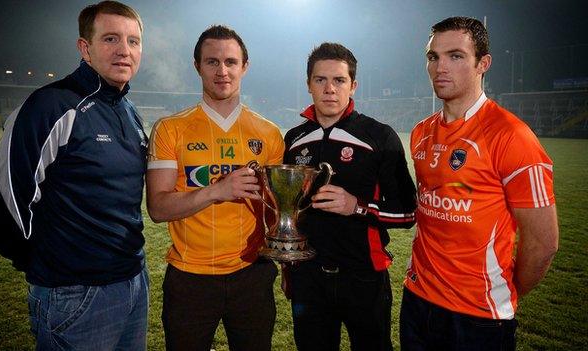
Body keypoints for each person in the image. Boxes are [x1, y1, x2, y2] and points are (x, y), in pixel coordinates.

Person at [0, 1, 148, 350]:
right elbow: (5, 203)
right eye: (111, 39)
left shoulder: (129, 112)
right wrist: (50, 269)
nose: (124, 50)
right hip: (75, 295)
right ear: (85, 48)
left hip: (133, 283)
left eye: (133, 41)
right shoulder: (51, 106)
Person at [401, 16, 559, 350]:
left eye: (456, 56)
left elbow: (544, 243)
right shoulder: (421, 132)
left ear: (482, 64)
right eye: (434, 57)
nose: (441, 66)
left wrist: (504, 289)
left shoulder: (512, 136)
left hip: (478, 316)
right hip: (417, 299)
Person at [146, 25, 285, 351]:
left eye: (231, 62)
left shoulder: (269, 133)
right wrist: (216, 191)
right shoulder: (170, 129)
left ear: (244, 67)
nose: (222, 71)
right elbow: (158, 208)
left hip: (252, 274)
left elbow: (276, 211)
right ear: (198, 66)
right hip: (189, 277)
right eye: (212, 62)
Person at [282, 42, 417, 351]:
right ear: (308, 84)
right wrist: (288, 269)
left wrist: (356, 207)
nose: (330, 89)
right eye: (321, 80)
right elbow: (290, 210)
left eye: (339, 80)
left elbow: (408, 213)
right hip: (308, 279)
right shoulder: (293, 140)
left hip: (364, 278)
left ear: (353, 85)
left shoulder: (379, 136)